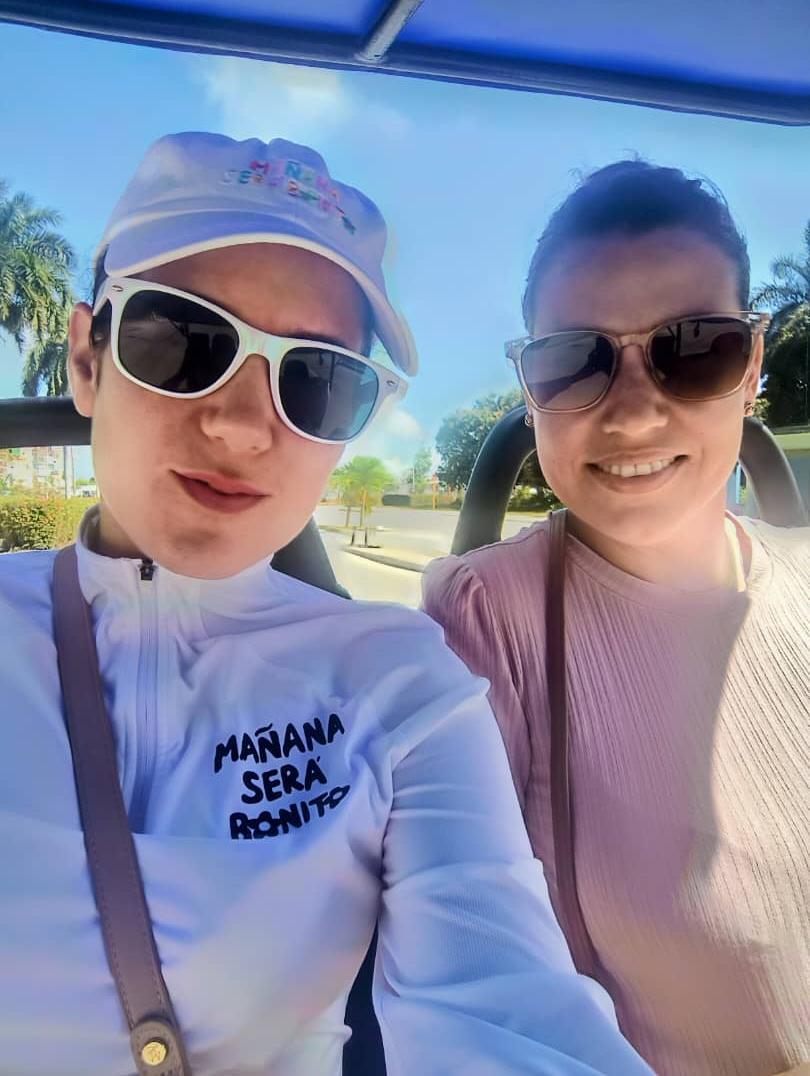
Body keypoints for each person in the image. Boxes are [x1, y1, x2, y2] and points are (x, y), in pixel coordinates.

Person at [0, 132, 653, 1076]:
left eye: (317, 378)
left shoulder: (397, 680)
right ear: (86, 359)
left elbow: (506, 1007)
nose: (241, 426)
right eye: (181, 340)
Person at [423, 160, 810, 1076]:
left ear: (753, 366)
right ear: (529, 388)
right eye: (573, 360)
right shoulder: (483, 618)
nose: (634, 413)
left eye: (696, 349)